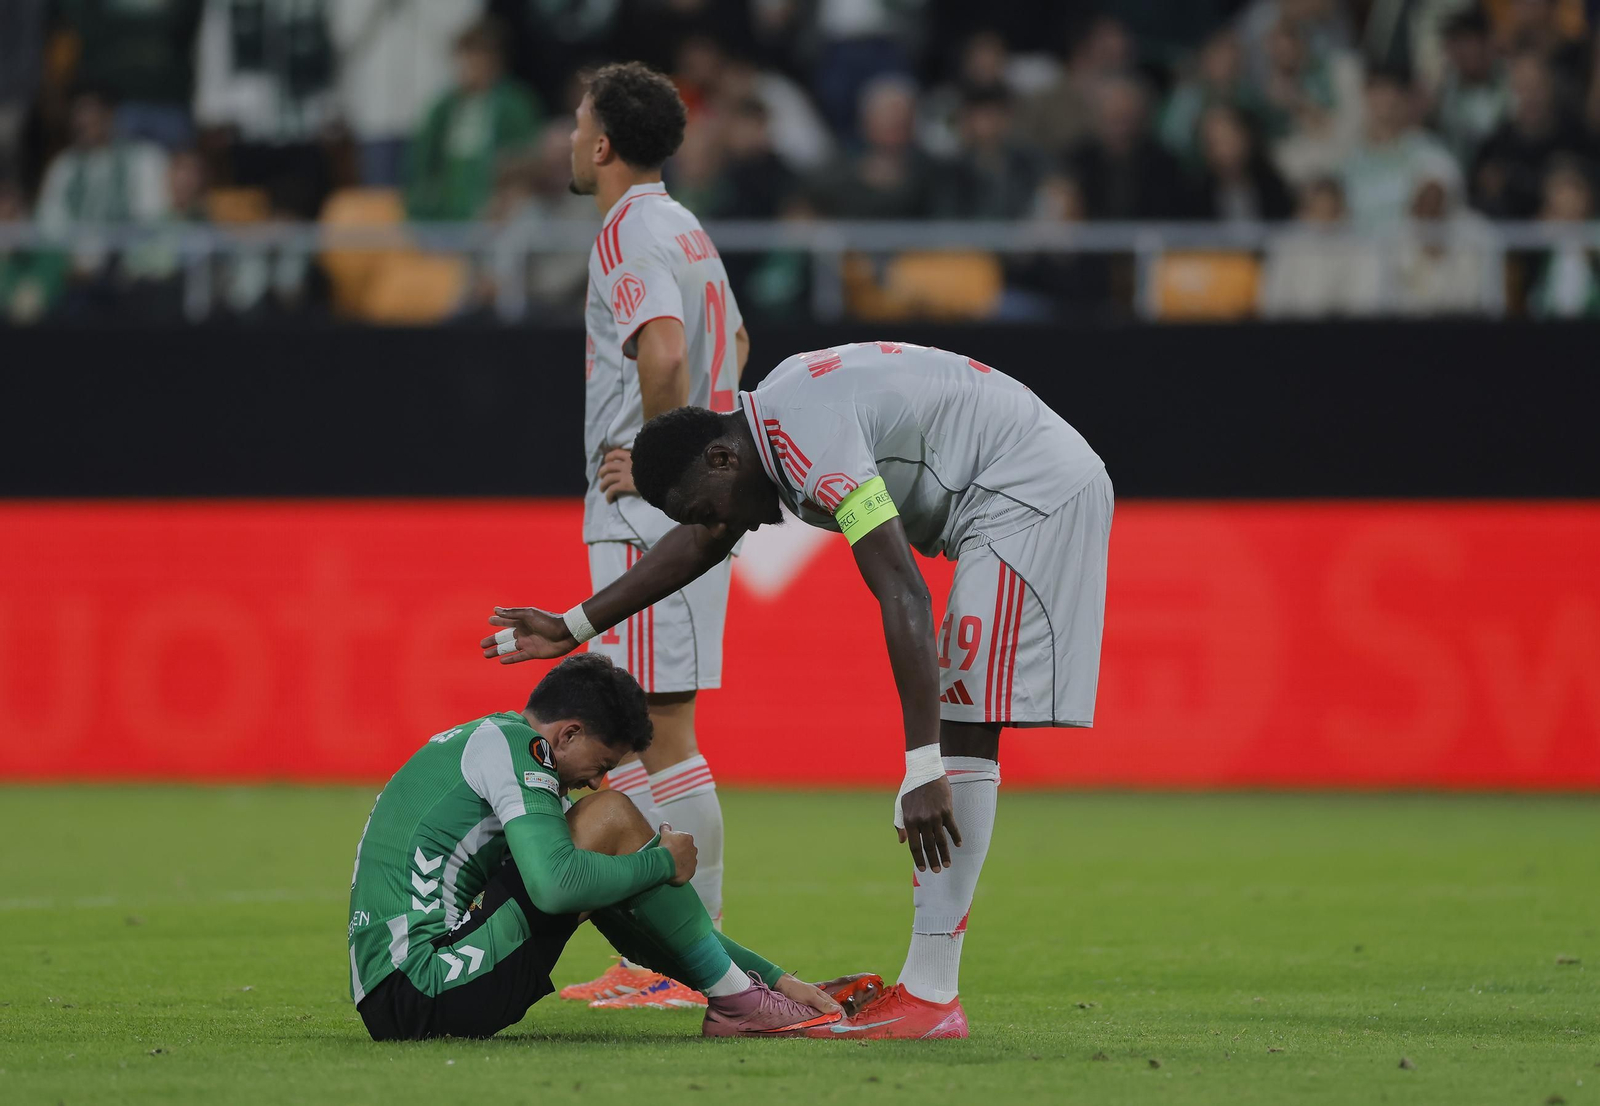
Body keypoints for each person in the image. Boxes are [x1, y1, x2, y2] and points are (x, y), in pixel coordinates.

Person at [482, 341, 1114, 1040]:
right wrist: (574, 625)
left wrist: (922, 765)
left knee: (963, 724)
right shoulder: (772, 423)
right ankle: (926, 990)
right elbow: (703, 539)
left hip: (1031, 495)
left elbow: (900, 587)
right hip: (1012, 490)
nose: (728, 524)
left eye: (706, 505)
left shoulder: (813, 438)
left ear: (723, 459)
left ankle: (933, 996)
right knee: (964, 714)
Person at [347, 653, 861, 1040]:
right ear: (567, 734)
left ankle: (751, 993)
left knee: (605, 868)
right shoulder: (521, 748)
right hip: (429, 985)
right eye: (603, 762)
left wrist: (773, 976)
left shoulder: (484, 739)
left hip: (399, 991)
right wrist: (663, 862)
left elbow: (638, 926)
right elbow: (553, 887)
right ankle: (739, 1000)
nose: (596, 780)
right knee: (609, 817)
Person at [550, 62, 750, 1008]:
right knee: (666, 732)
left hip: (647, 517)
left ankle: (682, 967)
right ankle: (683, 963)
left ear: (601, 144)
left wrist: (661, 464)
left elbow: (664, 348)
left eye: (576, 122)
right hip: (700, 507)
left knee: (656, 738)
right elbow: (737, 347)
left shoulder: (627, 230)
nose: (568, 137)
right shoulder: (687, 228)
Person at [404, 19, 541, 221]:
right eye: (465, 58)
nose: (470, 67)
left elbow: (529, 156)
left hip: (498, 211)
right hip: (444, 213)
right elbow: (421, 164)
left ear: (495, 61)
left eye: (478, 58)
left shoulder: (516, 104)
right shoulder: (442, 108)